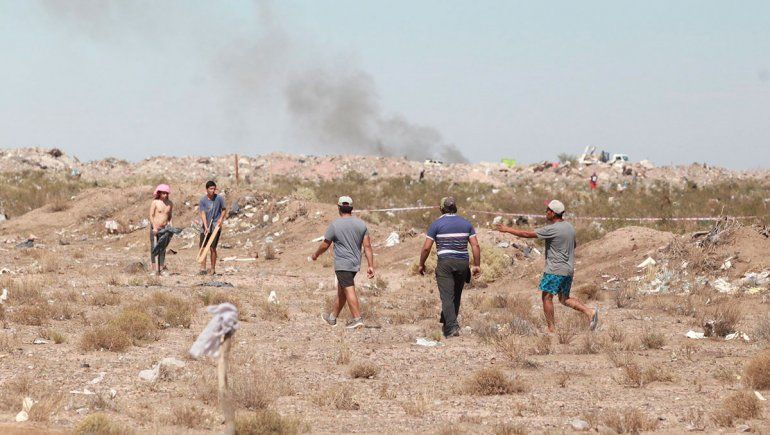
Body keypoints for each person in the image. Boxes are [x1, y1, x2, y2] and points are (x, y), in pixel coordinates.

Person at [495, 200, 598, 333]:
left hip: (555, 270)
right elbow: (574, 245)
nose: (545, 212)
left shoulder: (552, 229)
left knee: (546, 297)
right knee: (564, 298)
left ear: (553, 213)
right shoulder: (569, 227)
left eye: (547, 210)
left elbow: (527, 234)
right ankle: (590, 312)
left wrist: (507, 229)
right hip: (568, 269)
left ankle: (551, 328)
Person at [417, 197, 481, 338]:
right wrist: (476, 265)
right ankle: (448, 321)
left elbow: (427, 248)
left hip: (445, 263)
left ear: (441, 209)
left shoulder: (436, 224)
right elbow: (475, 245)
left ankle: (451, 327)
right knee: (456, 295)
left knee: (447, 296)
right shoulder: (466, 224)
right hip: (462, 263)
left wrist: (421, 264)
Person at [312, 196, 374, 329]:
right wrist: (370, 265)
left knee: (348, 289)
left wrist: (316, 254)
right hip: (354, 264)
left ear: (339, 208)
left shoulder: (335, 224)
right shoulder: (361, 224)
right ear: (351, 208)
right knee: (342, 290)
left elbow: (325, 244)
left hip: (342, 264)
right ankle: (332, 318)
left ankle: (357, 319)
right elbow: (367, 246)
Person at [199, 180, 227, 276]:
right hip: (205, 226)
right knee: (203, 248)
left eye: (214, 189)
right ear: (207, 189)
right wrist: (206, 226)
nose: (213, 190)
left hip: (216, 226)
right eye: (211, 189)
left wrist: (220, 219)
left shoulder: (219, 198)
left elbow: (223, 210)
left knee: (212, 248)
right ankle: (203, 269)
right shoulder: (203, 200)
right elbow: (202, 213)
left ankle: (213, 269)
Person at [149, 184, 173, 276]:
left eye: (166, 193)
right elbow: (151, 215)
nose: (165, 195)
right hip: (155, 228)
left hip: (164, 229)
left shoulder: (170, 203)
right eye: (163, 193)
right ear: (159, 193)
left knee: (162, 248)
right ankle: (154, 269)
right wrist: (154, 227)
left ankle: (161, 268)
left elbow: (169, 216)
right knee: (154, 248)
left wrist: (170, 224)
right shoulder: (155, 202)